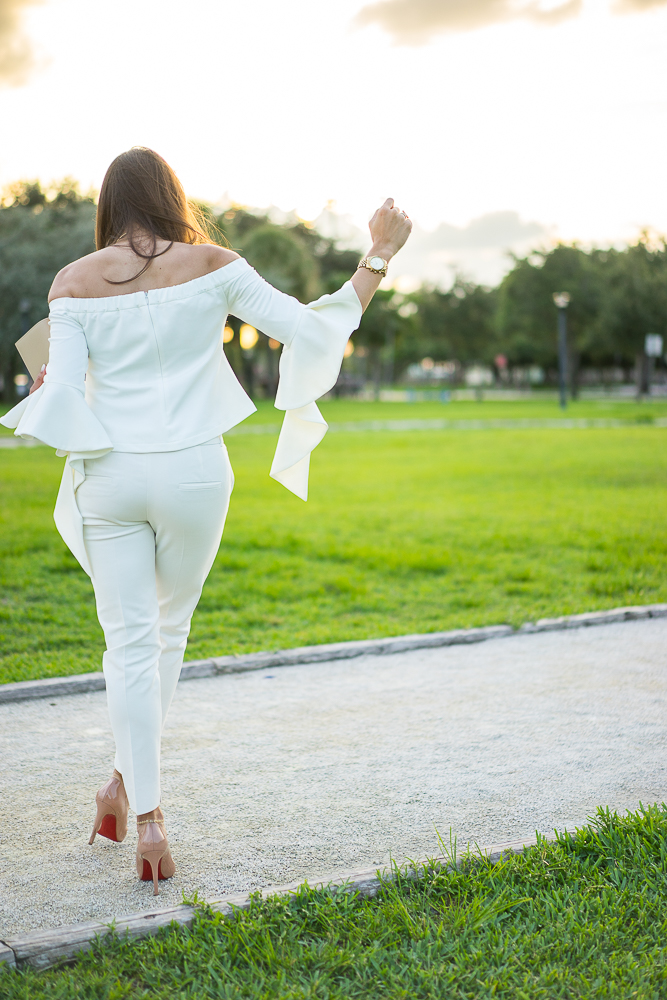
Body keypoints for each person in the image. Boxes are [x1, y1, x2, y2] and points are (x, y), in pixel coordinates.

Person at [0, 147, 412, 894]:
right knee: (166, 633)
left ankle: (133, 801)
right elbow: (311, 331)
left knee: (126, 643)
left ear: (108, 205)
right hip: (193, 471)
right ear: (170, 196)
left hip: (109, 475)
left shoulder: (72, 282)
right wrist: (377, 255)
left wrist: (46, 380)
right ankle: (133, 801)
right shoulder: (214, 263)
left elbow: (55, 391)